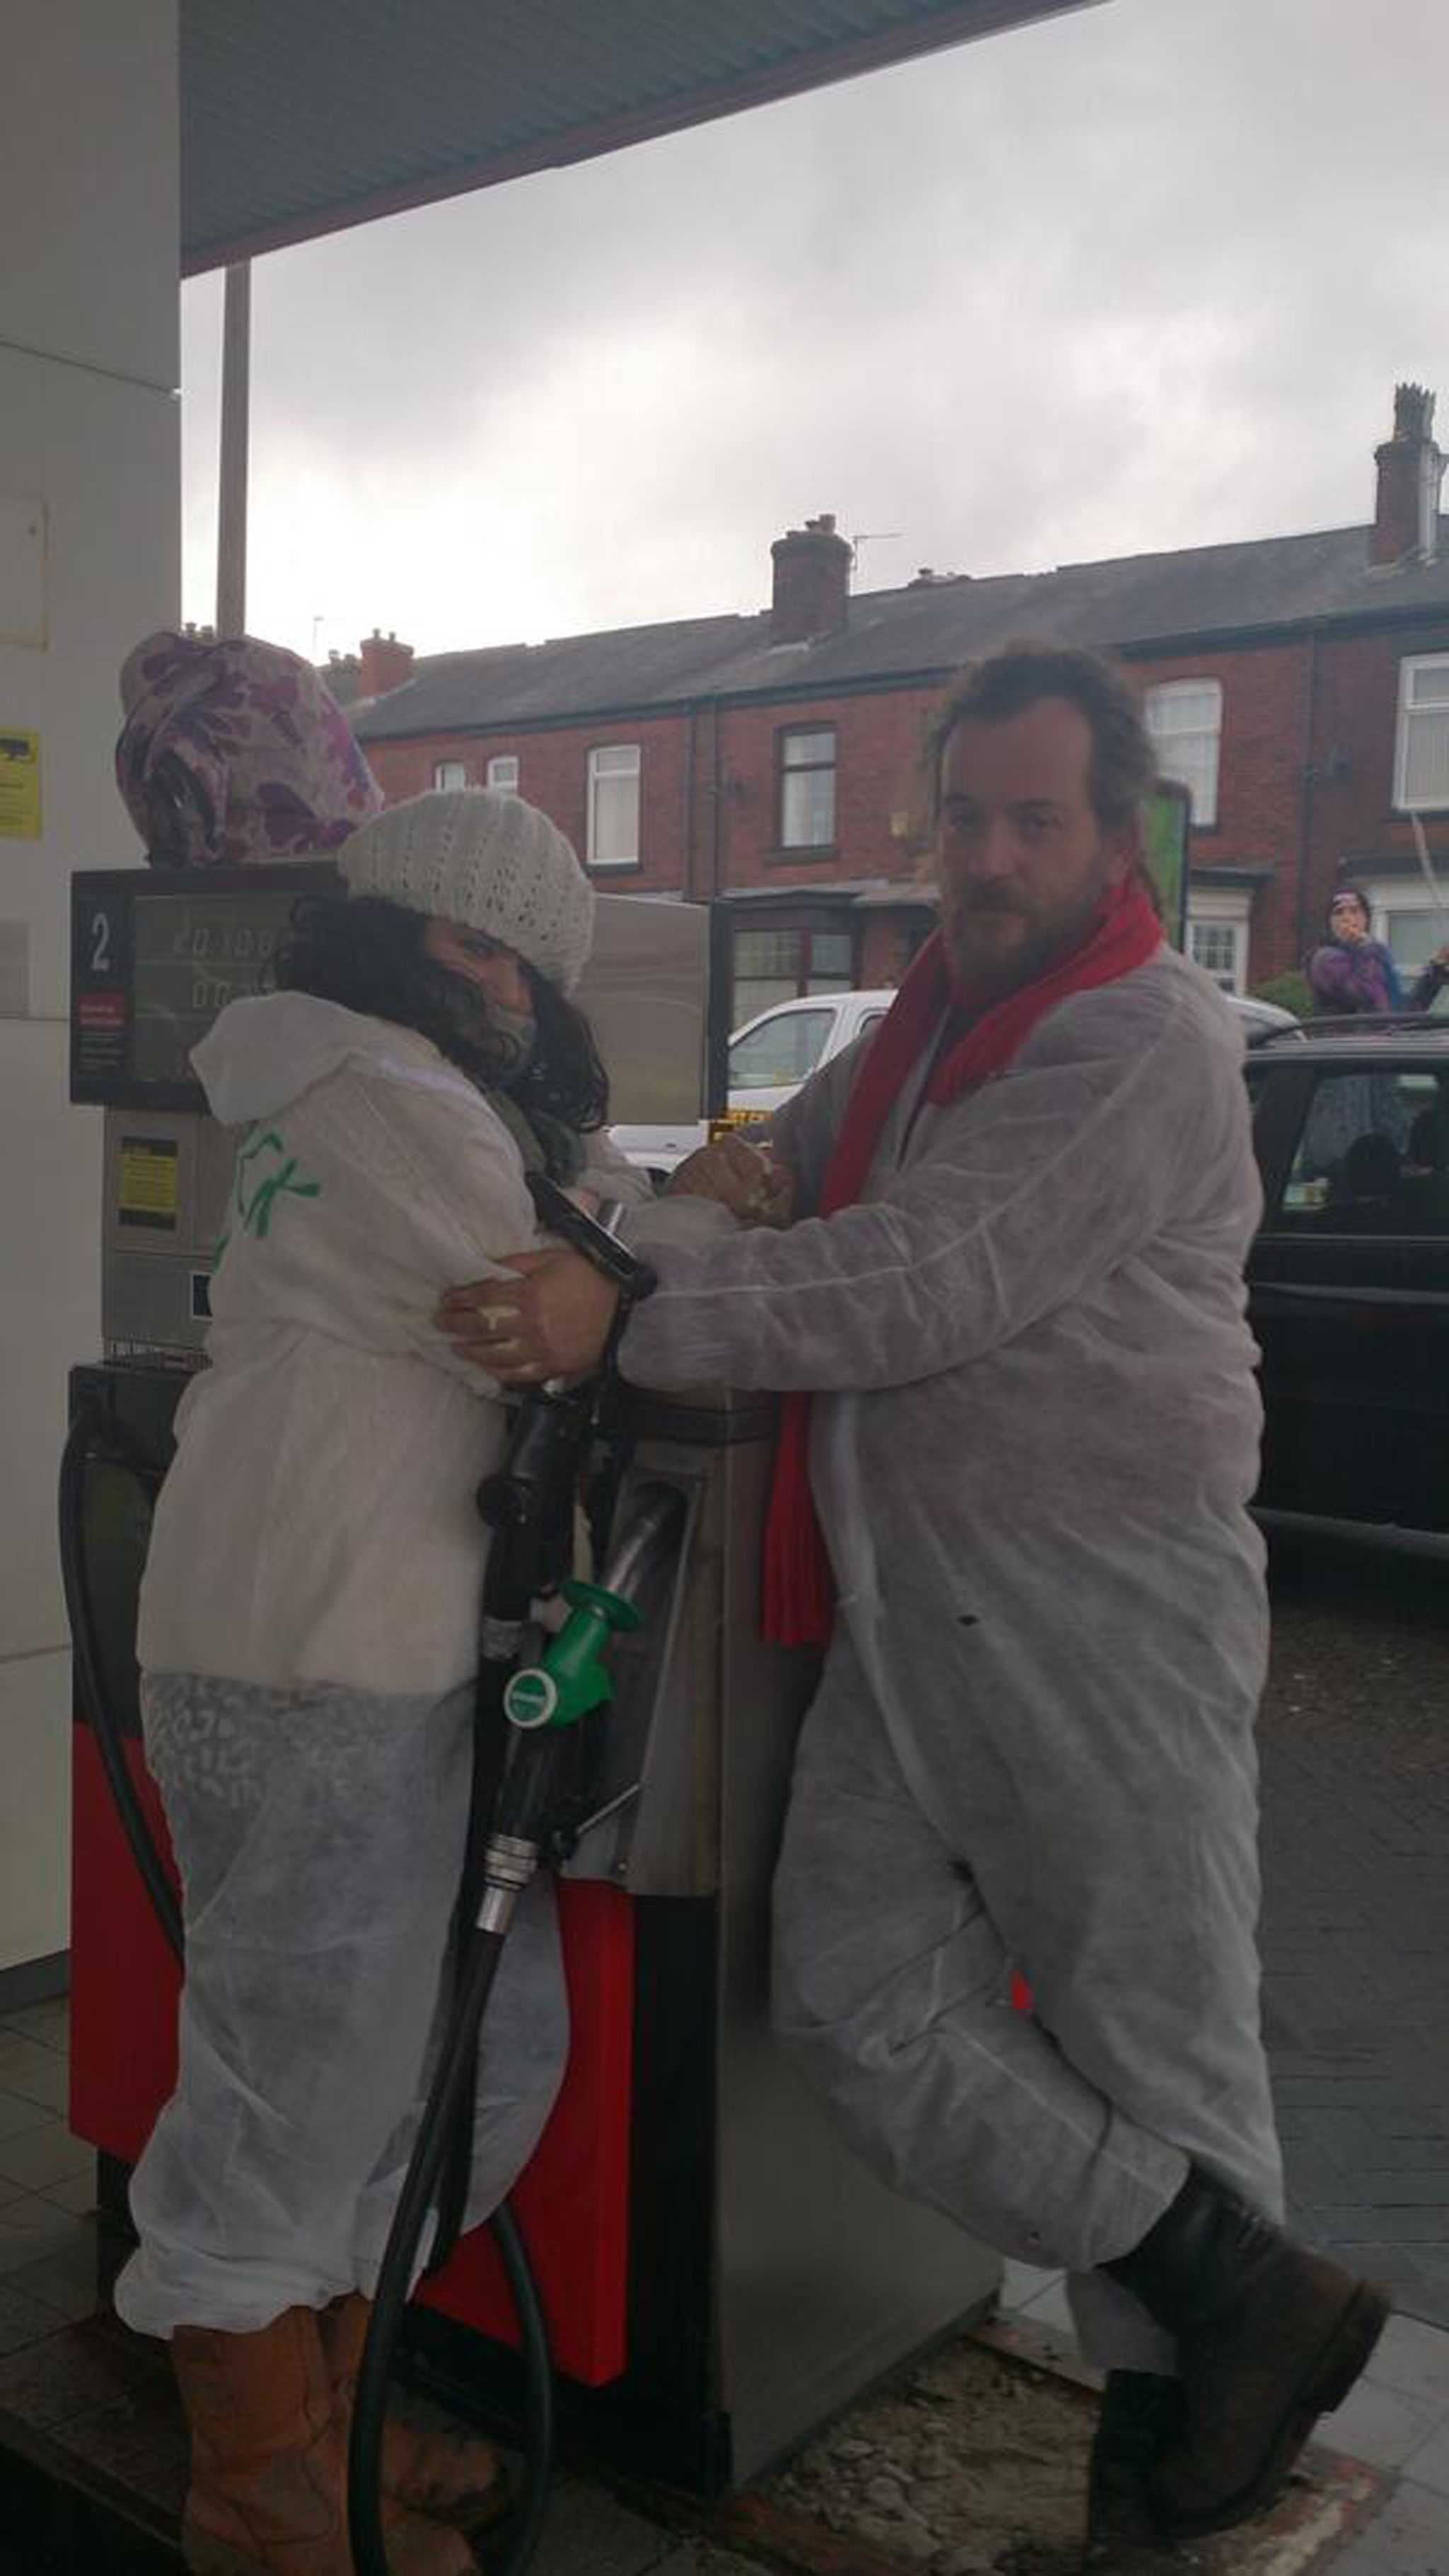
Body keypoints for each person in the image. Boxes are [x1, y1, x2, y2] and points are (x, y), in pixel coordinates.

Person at [439, 645, 1389, 2560]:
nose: (990, 852)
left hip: (1099, 1602)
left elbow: (923, 1272)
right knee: (857, 1994)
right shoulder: (935, 1010)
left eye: (1034, 818)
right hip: (910, 1592)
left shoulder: (1142, 1036)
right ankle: (1236, 2292)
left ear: (1115, 830)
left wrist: (632, 1306)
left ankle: (1181, 2492)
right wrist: (691, 1193)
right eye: (963, 815)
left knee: (1155, 2029)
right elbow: (786, 1167)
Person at [118, 786, 664, 2576]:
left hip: (348, 1622)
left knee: (463, 2053)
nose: (493, 979)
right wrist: (695, 1215)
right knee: (301, 2077)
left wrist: (626, 1210)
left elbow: (551, 1241)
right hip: (321, 1634)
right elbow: (535, 1291)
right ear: (392, 932)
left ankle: (333, 2404)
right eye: (465, 936)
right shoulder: (384, 1088)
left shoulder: (369, 1080)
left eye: (520, 955)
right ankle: (262, 2500)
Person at [1307, 885, 1449, 1016]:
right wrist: (1369, 948)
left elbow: (1399, 1013)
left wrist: (1437, 968)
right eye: (1339, 912)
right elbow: (1368, 999)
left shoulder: (1372, 956)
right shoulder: (1325, 958)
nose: (1348, 918)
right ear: (1329, 922)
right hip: (1346, 1041)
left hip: (1380, 1041)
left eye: (1355, 911)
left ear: (1366, 919)